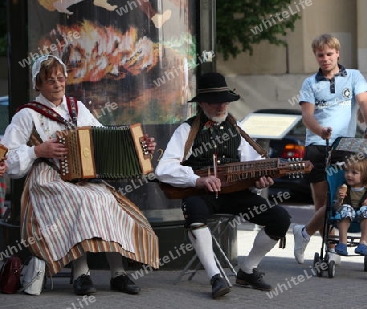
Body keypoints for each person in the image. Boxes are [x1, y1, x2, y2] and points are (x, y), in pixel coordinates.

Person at [2, 55, 159, 295]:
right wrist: (37, 150)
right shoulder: (27, 114)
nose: (57, 84)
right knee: (81, 200)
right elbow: (7, 158)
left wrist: (139, 146)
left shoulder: (77, 108)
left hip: (82, 177)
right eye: (50, 80)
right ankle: (81, 273)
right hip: (47, 179)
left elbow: (103, 137)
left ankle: (118, 273)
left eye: (60, 78)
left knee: (106, 200)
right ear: (38, 85)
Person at [155, 72, 294, 299]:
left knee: (280, 218)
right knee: (195, 212)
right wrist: (197, 180)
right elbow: (164, 168)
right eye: (214, 102)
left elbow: (254, 163)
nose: (221, 106)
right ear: (201, 104)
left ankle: (247, 270)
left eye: (224, 101)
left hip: (237, 194)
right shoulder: (187, 130)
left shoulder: (236, 129)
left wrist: (260, 179)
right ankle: (215, 276)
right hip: (201, 194)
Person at [292, 34, 367, 264]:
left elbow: (364, 103)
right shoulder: (310, 83)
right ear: (316, 56)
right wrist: (320, 130)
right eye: (320, 55)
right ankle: (331, 248)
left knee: (340, 198)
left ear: (338, 53)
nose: (325, 58)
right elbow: (307, 115)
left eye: (329, 54)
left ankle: (304, 232)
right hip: (317, 144)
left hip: (346, 145)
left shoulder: (353, 76)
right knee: (322, 201)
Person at [333, 157, 367, 256]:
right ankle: (342, 242)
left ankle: (363, 242)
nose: (349, 175)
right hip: (345, 217)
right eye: (347, 171)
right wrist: (340, 200)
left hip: (362, 218)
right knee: (345, 209)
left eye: (354, 173)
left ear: (364, 175)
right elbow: (335, 207)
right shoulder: (342, 189)